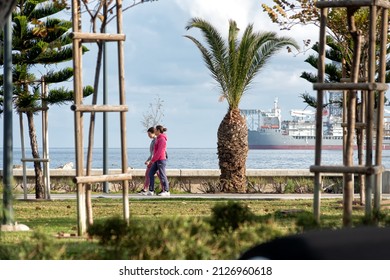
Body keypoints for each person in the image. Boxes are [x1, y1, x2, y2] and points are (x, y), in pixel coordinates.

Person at [142, 125, 169, 196]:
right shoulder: (158, 139)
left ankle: (166, 191)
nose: (155, 131)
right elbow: (154, 151)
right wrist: (152, 160)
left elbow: (159, 152)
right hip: (156, 160)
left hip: (161, 160)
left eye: (156, 130)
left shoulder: (162, 139)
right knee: (150, 174)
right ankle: (151, 190)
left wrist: (152, 160)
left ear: (158, 131)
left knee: (162, 175)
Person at [139, 127, 161, 194]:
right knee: (158, 175)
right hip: (153, 160)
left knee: (150, 174)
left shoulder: (155, 141)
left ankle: (146, 189)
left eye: (149, 134)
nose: (148, 136)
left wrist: (149, 161)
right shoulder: (153, 140)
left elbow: (154, 153)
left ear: (153, 133)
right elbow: (152, 153)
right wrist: (148, 160)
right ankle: (164, 189)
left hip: (154, 160)